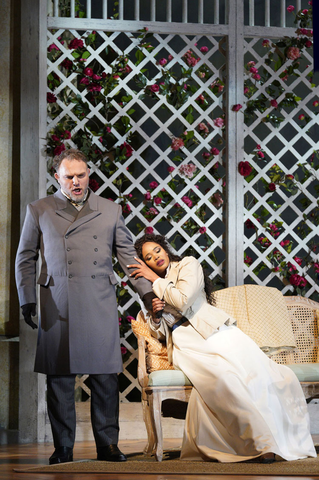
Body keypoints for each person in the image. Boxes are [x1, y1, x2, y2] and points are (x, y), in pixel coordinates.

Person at [15, 149, 156, 465]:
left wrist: (146, 293)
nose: (77, 182)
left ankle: (107, 445)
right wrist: (27, 299)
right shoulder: (39, 210)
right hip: (58, 300)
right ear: (58, 177)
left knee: (105, 376)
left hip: (98, 299)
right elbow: (25, 257)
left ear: (88, 174)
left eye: (82, 175)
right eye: (70, 176)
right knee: (60, 377)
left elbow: (128, 258)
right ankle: (63, 447)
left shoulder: (109, 210)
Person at [128, 233, 317, 463]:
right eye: (148, 258)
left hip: (216, 331)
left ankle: (274, 438)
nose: (155, 257)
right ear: (145, 263)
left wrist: (155, 281)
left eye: (157, 250)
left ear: (165, 250)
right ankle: (261, 442)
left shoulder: (188, 264)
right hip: (186, 343)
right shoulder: (153, 288)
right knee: (225, 380)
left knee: (258, 376)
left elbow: (184, 299)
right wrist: (156, 316)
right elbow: (158, 333)